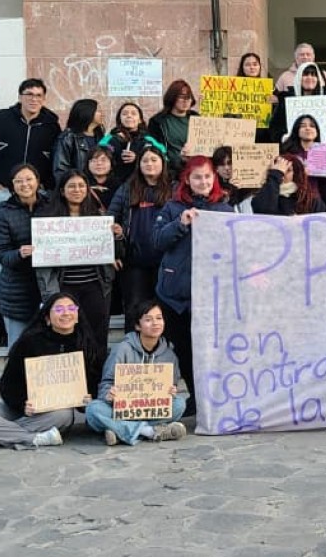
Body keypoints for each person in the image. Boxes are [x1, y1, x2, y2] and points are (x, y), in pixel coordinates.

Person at [0, 292, 104, 450]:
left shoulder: (88, 346)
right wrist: (22, 404)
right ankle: (31, 438)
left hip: (52, 414)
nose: (66, 313)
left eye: (71, 308)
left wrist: (88, 398)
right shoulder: (30, 341)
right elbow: (7, 385)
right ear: (47, 318)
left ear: (77, 316)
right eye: (59, 309)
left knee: (64, 415)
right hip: (23, 409)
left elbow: (95, 384)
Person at [153, 156, 234, 409]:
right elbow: (156, 241)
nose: (203, 181)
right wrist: (181, 224)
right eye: (197, 177)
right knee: (183, 349)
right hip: (175, 295)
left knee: (211, 350)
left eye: (208, 176)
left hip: (211, 295)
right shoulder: (172, 207)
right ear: (187, 179)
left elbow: (237, 246)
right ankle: (196, 398)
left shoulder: (225, 210)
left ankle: (211, 397)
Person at [0, 78, 61, 295]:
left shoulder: (51, 123)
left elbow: (55, 157)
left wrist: (48, 186)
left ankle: (38, 285)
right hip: (3, 190)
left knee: (35, 239)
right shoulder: (1, 119)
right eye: (29, 94)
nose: (34, 99)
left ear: (44, 99)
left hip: (38, 193)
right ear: (20, 96)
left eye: (39, 95)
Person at [85, 298, 189, 445]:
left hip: (151, 411)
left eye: (159, 318)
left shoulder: (169, 355)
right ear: (137, 326)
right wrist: (109, 395)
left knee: (179, 404)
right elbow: (106, 383)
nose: (155, 323)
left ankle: (121, 431)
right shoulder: (122, 349)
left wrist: (171, 391)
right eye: (148, 319)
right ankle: (149, 431)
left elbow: (172, 386)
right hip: (121, 410)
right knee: (93, 409)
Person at [38, 170, 121, 346]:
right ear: (62, 191)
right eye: (72, 186)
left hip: (96, 286)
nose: (77, 190)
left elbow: (117, 252)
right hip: (64, 286)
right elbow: (43, 260)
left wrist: (117, 237)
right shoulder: (48, 220)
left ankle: (96, 372)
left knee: (97, 335)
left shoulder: (98, 217)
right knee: (67, 335)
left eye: (82, 186)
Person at [110, 146, 174, 326]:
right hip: (134, 261)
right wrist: (113, 251)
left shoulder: (174, 189)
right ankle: (132, 352)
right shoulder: (127, 189)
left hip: (166, 262)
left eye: (154, 160)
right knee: (134, 309)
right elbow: (109, 219)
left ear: (163, 163)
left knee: (165, 310)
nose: (149, 164)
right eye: (145, 160)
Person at [0, 164, 49, 347]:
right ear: (12, 185)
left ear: (38, 182)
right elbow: (1, 253)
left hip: (48, 286)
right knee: (18, 347)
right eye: (18, 181)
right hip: (17, 291)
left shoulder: (51, 206)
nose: (24, 184)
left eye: (29, 179)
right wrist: (19, 254)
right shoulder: (5, 212)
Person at [99, 101, 167, 186]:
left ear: (140, 120)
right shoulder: (110, 139)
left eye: (134, 113)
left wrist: (138, 157)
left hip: (143, 185)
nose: (129, 116)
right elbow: (99, 156)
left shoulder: (148, 139)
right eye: (125, 114)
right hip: (115, 184)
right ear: (119, 119)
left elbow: (164, 157)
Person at [271, 63, 326, 144]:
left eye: (313, 75)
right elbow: (275, 129)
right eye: (305, 74)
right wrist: (283, 138)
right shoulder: (286, 102)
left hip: (321, 150)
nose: (310, 78)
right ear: (299, 78)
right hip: (294, 150)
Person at [147, 80, 199, 172]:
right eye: (181, 97)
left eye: (188, 97)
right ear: (172, 98)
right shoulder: (157, 122)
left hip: (197, 169)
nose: (186, 100)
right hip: (170, 172)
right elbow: (153, 150)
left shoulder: (197, 119)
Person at [252, 154, 326, 216]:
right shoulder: (262, 194)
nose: (282, 173)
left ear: (296, 175)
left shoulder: (309, 199)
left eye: (288, 170)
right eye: (279, 170)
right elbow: (263, 213)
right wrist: (275, 175)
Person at [52, 98, 105, 187]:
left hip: (98, 187)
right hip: (78, 188)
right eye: (98, 111)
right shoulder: (68, 137)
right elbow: (60, 169)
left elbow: (106, 150)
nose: (102, 114)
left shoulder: (100, 135)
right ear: (87, 113)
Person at [236, 51, 275, 144]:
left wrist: (276, 102)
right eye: (247, 65)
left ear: (259, 67)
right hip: (239, 134)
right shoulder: (232, 88)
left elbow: (275, 116)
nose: (252, 67)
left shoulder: (270, 88)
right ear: (242, 68)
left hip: (262, 136)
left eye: (255, 64)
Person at [85, 145, 120, 211]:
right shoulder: (82, 184)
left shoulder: (119, 187)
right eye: (94, 160)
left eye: (103, 160)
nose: (99, 163)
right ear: (88, 164)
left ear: (111, 165)